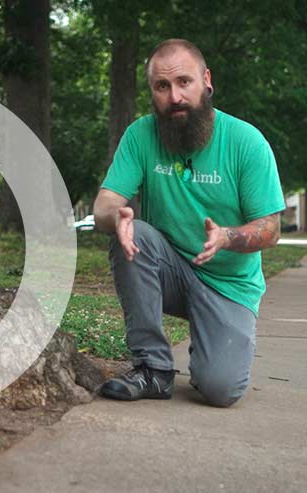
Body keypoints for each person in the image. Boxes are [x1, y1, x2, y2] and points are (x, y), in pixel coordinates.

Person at [94, 39, 285, 407]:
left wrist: (228, 236)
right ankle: (153, 369)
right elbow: (105, 203)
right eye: (162, 87)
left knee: (220, 389)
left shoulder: (246, 142)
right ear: (152, 91)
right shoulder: (140, 135)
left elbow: (271, 229)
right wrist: (114, 216)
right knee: (132, 235)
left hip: (228, 284)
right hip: (170, 270)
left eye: (184, 82)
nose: (175, 96)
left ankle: (212, 338)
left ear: (206, 81)